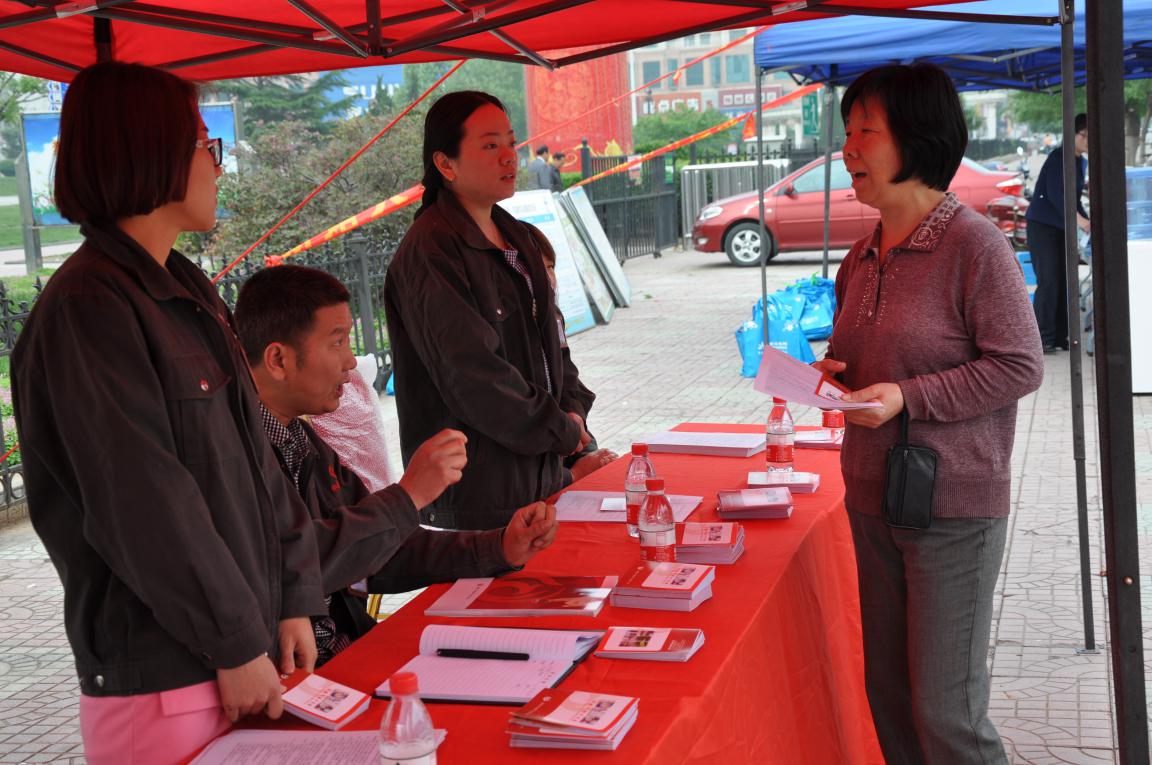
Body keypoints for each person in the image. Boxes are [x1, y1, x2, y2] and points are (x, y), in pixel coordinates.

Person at [11, 62, 325, 765]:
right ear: (152, 154)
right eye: (204, 146)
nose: (218, 165)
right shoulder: (89, 309)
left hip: (237, 654)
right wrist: (234, 640)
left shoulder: (183, 287)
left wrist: (291, 596)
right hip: (165, 672)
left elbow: (255, 463)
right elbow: (142, 501)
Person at [813, 63, 1043, 764]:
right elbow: (862, 358)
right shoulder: (861, 253)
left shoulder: (975, 245)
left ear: (917, 137)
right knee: (889, 696)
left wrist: (908, 396)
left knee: (947, 713)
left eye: (866, 131)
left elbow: (1020, 365)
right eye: (847, 131)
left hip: (952, 510)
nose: (848, 148)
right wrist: (831, 376)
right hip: (870, 496)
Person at [234, 264, 559, 665]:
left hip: (347, 649)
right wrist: (408, 495)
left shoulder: (302, 440)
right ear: (278, 359)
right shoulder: (232, 456)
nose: (350, 362)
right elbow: (290, 564)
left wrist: (499, 546)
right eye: (337, 343)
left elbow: (378, 552)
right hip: (291, 674)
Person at [384, 91, 594, 530]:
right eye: (490, 145)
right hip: (481, 495)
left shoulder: (518, 236)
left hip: (541, 473)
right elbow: (474, 376)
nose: (508, 156)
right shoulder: (431, 251)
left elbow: (554, 344)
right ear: (446, 164)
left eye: (511, 142)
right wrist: (561, 430)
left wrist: (572, 411)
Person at [523, 222, 617, 479]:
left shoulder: (551, 314)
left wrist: (574, 415)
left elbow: (566, 372)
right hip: (537, 441)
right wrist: (572, 472)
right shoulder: (507, 325)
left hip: (565, 430)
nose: (548, 279)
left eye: (550, 268)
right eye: (536, 270)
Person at [1026, 112, 1089, 353]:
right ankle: (1042, 338)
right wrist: (1080, 221)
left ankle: (1061, 336)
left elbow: (1074, 199)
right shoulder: (1058, 158)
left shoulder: (1080, 162)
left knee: (1065, 281)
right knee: (1049, 281)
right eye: (1084, 135)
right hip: (1042, 228)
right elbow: (1057, 196)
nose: (1087, 140)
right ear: (1072, 134)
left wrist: (1086, 219)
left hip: (1061, 228)